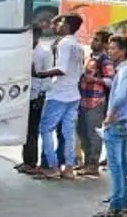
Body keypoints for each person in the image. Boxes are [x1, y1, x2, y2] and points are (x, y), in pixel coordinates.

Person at [33, 14, 85, 180]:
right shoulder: (78, 45)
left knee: (45, 129)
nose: (58, 25)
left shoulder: (64, 43)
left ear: (68, 25)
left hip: (59, 93)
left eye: (61, 22)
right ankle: (69, 167)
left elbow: (61, 69)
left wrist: (40, 74)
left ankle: (53, 166)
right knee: (68, 132)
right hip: (73, 94)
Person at [94, 35, 127, 217]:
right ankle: (125, 199)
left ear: (123, 51)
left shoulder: (124, 72)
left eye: (114, 48)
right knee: (124, 163)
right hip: (126, 122)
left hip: (118, 122)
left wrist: (109, 117)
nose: (110, 51)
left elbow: (119, 97)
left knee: (116, 165)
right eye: (109, 48)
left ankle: (117, 204)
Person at [76, 29, 114, 178]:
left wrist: (95, 80)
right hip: (83, 100)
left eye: (97, 40)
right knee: (83, 132)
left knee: (94, 134)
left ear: (104, 43)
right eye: (93, 39)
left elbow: (111, 80)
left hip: (95, 101)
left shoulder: (105, 60)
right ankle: (86, 163)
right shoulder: (90, 57)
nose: (93, 42)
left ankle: (93, 164)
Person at [18, 26, 53, 175]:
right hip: (25, 93)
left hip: (36, 94)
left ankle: (31, 162)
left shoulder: (44, 53)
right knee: (24, 130)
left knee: (32, 130)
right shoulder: (25, 50)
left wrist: (42, 95)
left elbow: (48, 76)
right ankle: (26, 160)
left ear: (37, 35)